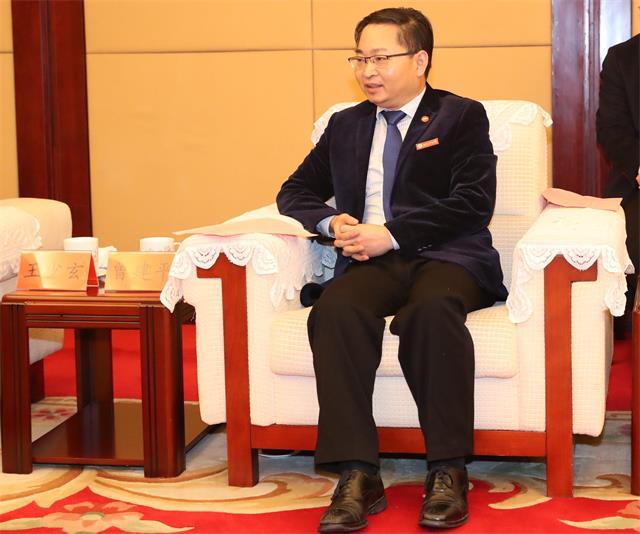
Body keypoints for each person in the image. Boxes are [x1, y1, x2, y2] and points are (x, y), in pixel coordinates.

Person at [277, 7, 507, 531]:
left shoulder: (460, 116)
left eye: (381, 58)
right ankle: (357, 473)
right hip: (372, 262)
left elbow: (474, 202)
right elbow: (295, 191)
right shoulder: (346, 124)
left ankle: (447, 469)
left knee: (431, 311)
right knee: (335, 311)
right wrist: (330, 221)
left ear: (419, 60)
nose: (367, 71)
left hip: (448, 255)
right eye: (360, 58)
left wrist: (393, 232)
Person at [597, 33, 639, 337]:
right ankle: (628, 332)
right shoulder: (622, 58)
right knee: (629, 233)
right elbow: (611, 129)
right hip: (635, 185)